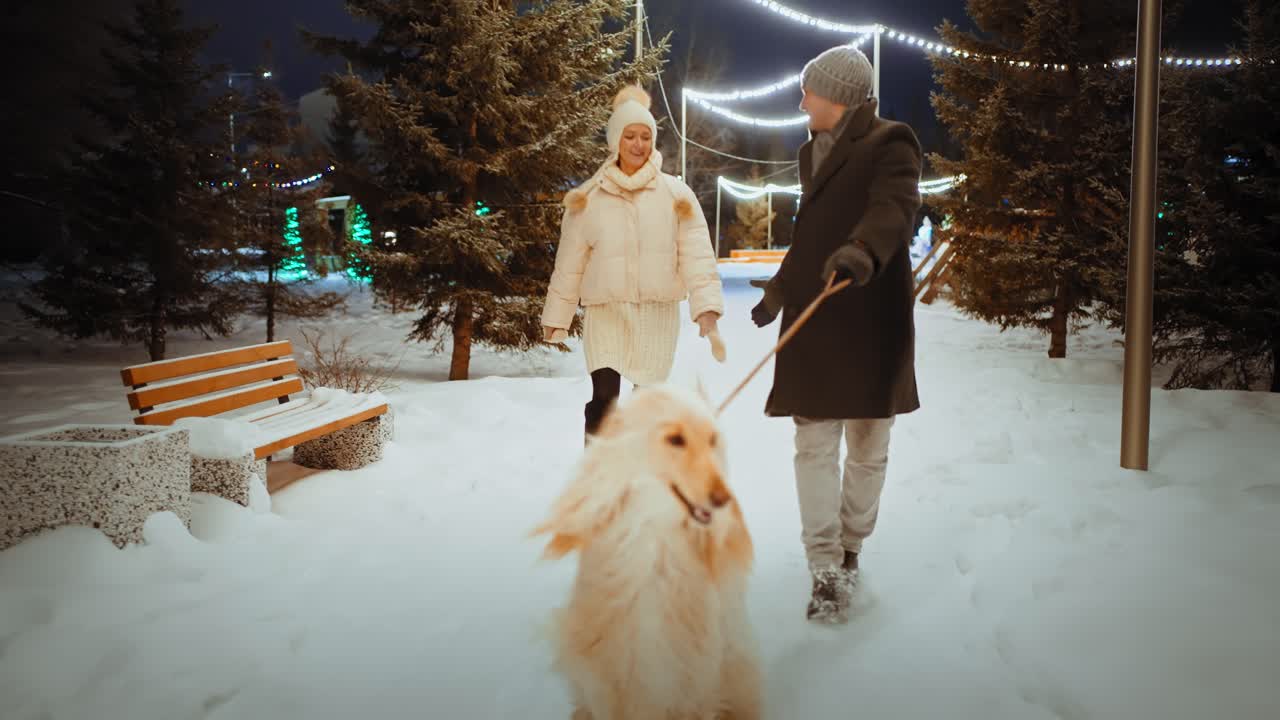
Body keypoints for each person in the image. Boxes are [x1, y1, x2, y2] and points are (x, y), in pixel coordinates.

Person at [751, 45, 923, 624]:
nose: (801, 102)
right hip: (819, 319)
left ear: (839, 96)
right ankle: (824, 562)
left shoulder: (891, 142)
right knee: (814, 446)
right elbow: (812, 234)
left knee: (869, 449)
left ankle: (852, 547)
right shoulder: (810, 152)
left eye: (809, 91)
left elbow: (894, 210)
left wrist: (861, 251)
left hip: (871, 321)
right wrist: (780, 288)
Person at [541, 85, 724, 444]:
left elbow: (697, 256)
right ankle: (600, 475)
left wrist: (706, 308)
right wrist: (556, 317)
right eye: (630, 136)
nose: (639, 144)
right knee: (604, 404)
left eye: (645, 137)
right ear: (615, 141)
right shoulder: (589, 198)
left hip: (656, 316)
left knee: (647, 406)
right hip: (606, 314)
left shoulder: (676, 195)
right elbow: (569, 263)